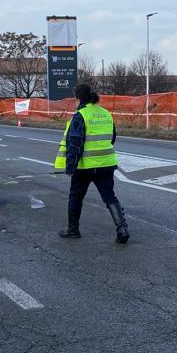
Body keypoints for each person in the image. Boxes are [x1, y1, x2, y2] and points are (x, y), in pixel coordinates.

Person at [54, 83, 129, 243]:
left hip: (85, 167)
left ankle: (72, 229)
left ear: (78, 98)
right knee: (109, 196)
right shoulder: (105, 113)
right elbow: (112, 137)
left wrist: (71, 167)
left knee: (75, 196)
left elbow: (74, 144)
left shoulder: (80, 115)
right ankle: (122, 228)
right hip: (107, 164)